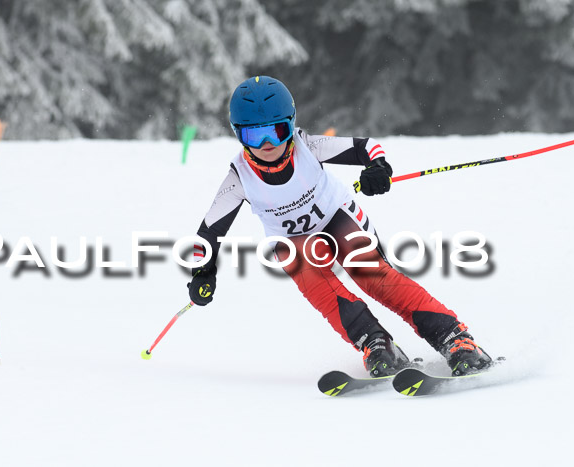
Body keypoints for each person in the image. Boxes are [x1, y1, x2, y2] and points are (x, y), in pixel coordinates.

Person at [188, 75, 492, 377]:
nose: (268, 145)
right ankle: (376, 344)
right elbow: (209, 233)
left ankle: (455, 338)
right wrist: (203, 272)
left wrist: (378, 169)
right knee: (314, 284)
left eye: (278, 132)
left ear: (291, 126)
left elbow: (367, 148)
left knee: (372, 276)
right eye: (255, 137)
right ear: (239, 135)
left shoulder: (307, 146)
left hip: (337, 219)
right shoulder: (239, 177)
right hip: (292, 242)